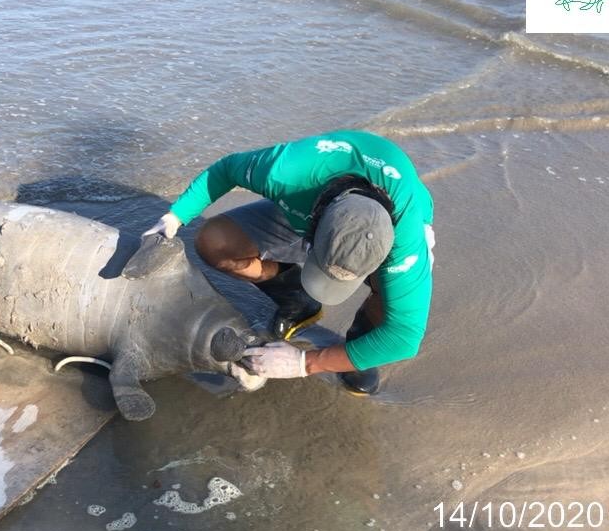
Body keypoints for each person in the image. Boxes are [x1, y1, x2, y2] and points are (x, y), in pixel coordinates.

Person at [143, 130, 433, 394]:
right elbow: (226, 169)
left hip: (394, 223)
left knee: (392, 307)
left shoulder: (406, 244)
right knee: (213, 242)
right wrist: (178, 214)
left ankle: (356, 350)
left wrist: (305, 363)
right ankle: (295, 296)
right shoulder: (286, 172)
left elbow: (405, 337)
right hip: (307, 200)